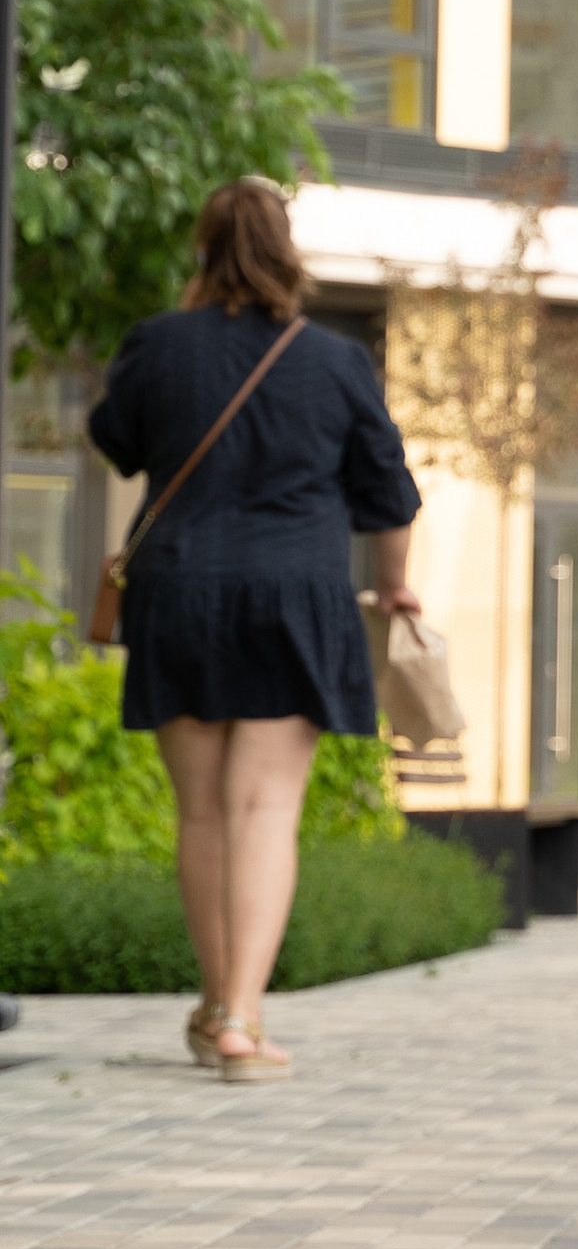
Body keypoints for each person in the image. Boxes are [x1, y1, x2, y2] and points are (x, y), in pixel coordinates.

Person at [87, 179, 423, 1081]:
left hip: (180, 590)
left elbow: (116, 439)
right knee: (263, 809)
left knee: (200, 812)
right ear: (288, 253)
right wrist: (393, 589)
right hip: (294, 596)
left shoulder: (157, 344)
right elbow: (391, 495)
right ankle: (241, 1017)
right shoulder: (334, 359)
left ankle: (216, 1007)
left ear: (203, 247)